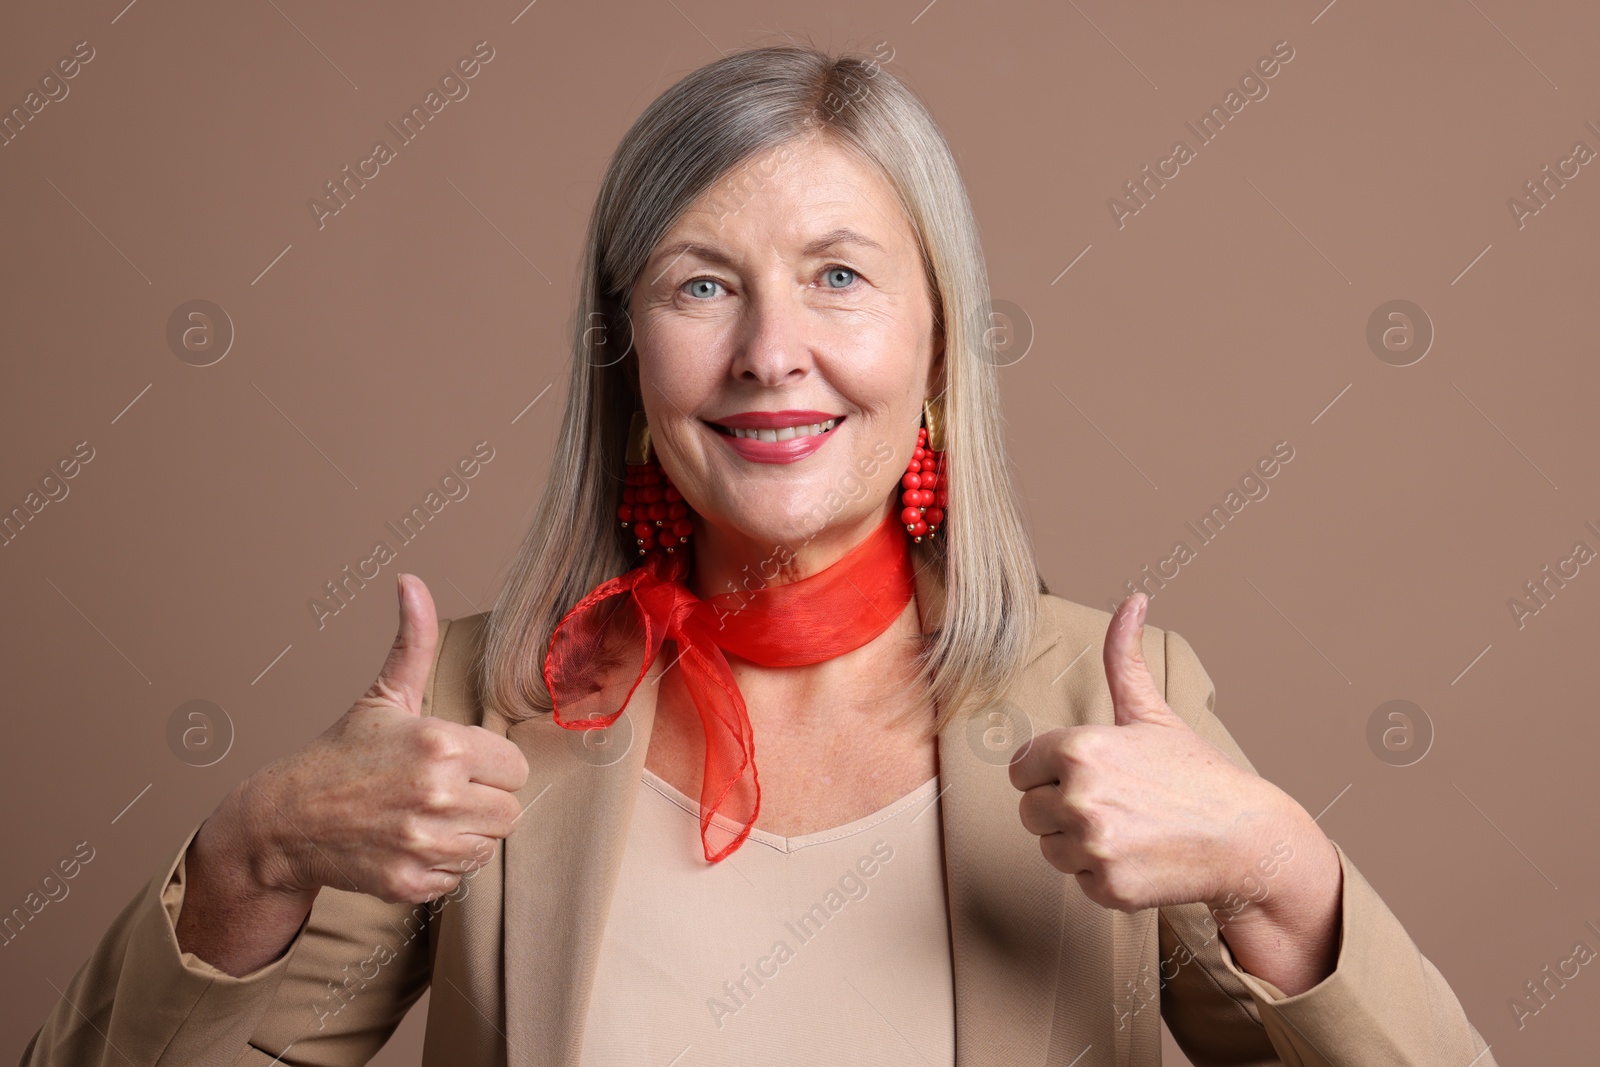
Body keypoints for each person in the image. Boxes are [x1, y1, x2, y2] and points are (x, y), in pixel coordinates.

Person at [21, 44, 1494, 1067]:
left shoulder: (1108, 702)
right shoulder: (480, 704)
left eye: (840, 278)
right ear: (626, 354)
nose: (769, 354)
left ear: (934, 348)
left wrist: (1276, 869)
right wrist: (253, 853)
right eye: (701, 283)